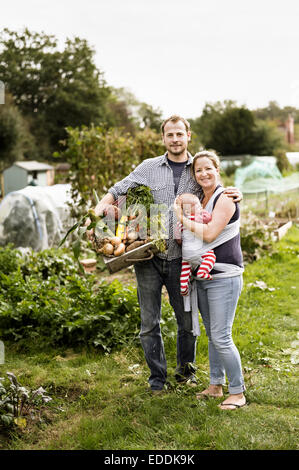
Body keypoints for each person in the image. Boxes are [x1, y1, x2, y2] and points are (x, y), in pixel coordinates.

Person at [92, 115, 242, 394]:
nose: (175, 139)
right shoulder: (148, 168)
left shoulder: (197, 168)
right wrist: (100, 208)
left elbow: (216, 191)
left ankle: (186, 375)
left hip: (182, 259)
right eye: (169, 135)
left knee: (187, 322)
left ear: (188, 136)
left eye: (179, 134)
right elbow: (118, 189)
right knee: (149, 323)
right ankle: (156, 380)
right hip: (148, 258)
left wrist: (236, 193)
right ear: (163, 138)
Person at [173, 150, 246, 409]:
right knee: (213, 336)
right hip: (202, 276)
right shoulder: (200, 201)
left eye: (208, 168)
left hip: (224, 275)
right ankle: (215, 385)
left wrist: (181, 219)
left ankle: (237, 391)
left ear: (217, 170)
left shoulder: (225, 198)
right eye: (198, 170)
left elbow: (211, 233)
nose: (203, 174)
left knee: (222, 335)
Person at [174, 193, 216, 295]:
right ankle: (202, 272)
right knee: (211, 256)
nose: (200, 206)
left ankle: (183, 287)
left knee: (185, 267)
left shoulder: (180, 222)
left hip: (186, 253)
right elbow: (210, 220)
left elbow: (178, 238)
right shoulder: (201, 217)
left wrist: (181, 242)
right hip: (199, 251)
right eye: (197, 205)